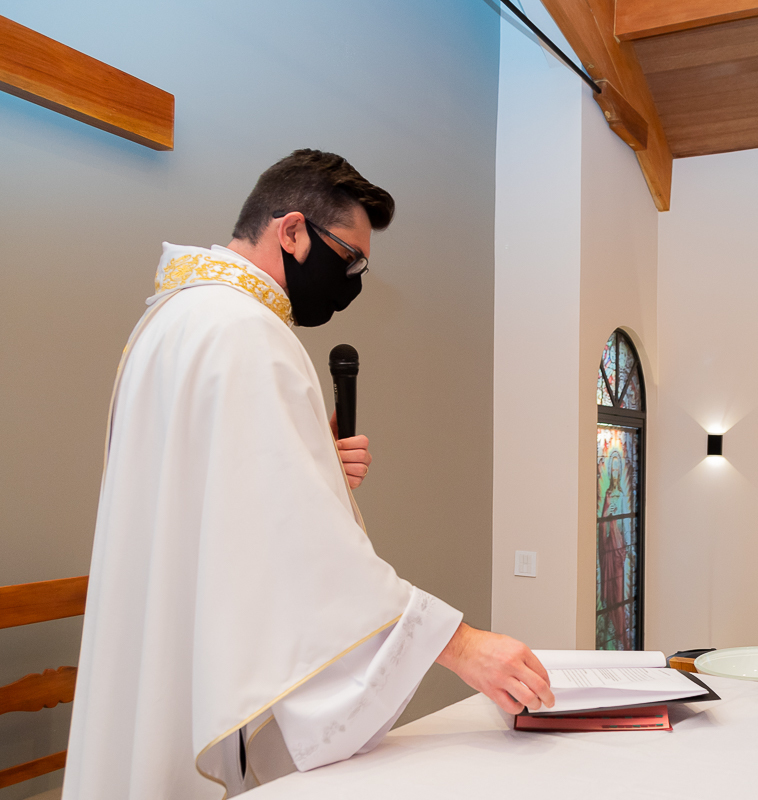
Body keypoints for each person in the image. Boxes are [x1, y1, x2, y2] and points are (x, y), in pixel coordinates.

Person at [64, 150, 554, 800]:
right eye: (348, 257)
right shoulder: (246, 332)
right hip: (200, 663)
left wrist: (309, 458)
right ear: (291, 230)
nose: (352, 279)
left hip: (165, 646)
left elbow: (219, 504)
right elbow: (306, 554)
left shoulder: (174, 318)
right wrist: (462, 646)